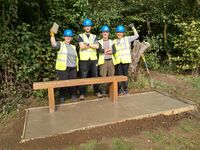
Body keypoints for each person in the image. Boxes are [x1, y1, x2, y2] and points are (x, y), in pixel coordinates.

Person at [50, 29, 78, 103]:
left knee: (72, 83)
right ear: (64, 37)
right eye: (67, 36)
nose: (68, 37)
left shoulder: (73, 46)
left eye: (70, 36)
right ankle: (62, 97)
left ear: (71, 38)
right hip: (63, 67)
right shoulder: (60, 44)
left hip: (73, 67)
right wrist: (52, 34)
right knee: (63, 83)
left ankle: (73, 95)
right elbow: (53, 44)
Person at [78, 18, 102, 100]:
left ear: (91, 27)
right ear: (84, 27)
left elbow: (97, 46)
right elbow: (81, 46)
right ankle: (82, 94)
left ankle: (97, 92)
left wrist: (87, 44)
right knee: (83, 77)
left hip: (93, 59)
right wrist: (92, 45)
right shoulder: (80, 36)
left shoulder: (94, 36)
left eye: (89, 26)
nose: (87, 27)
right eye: (86, 26)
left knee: (95, 76)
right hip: (84, 59)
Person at [113, 24, 139, 95]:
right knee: (119, 76)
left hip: (125, 61)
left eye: (120, 32)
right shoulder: (114, 41)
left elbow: (137, 36)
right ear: (116, 33)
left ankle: (126, 89)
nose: (119, 33)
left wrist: (133, 28)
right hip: (118, 61)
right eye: (118, 32)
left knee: (125, 75)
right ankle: (119, 89)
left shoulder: (127, 39)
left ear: (123, 33)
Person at [98, 25, 116, 96]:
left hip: (111, 60)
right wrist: (107, 50)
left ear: (108, 33)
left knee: (111, 75)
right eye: (104, 32)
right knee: (103, 76)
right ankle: (103, 91)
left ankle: (111, 90)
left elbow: (114, 50)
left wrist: (109, 51)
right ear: (102, 33)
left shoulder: (112, 41)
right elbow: (99, 50)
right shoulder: (99, 41)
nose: (105, 33)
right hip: (103, 61)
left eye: (106, 32)